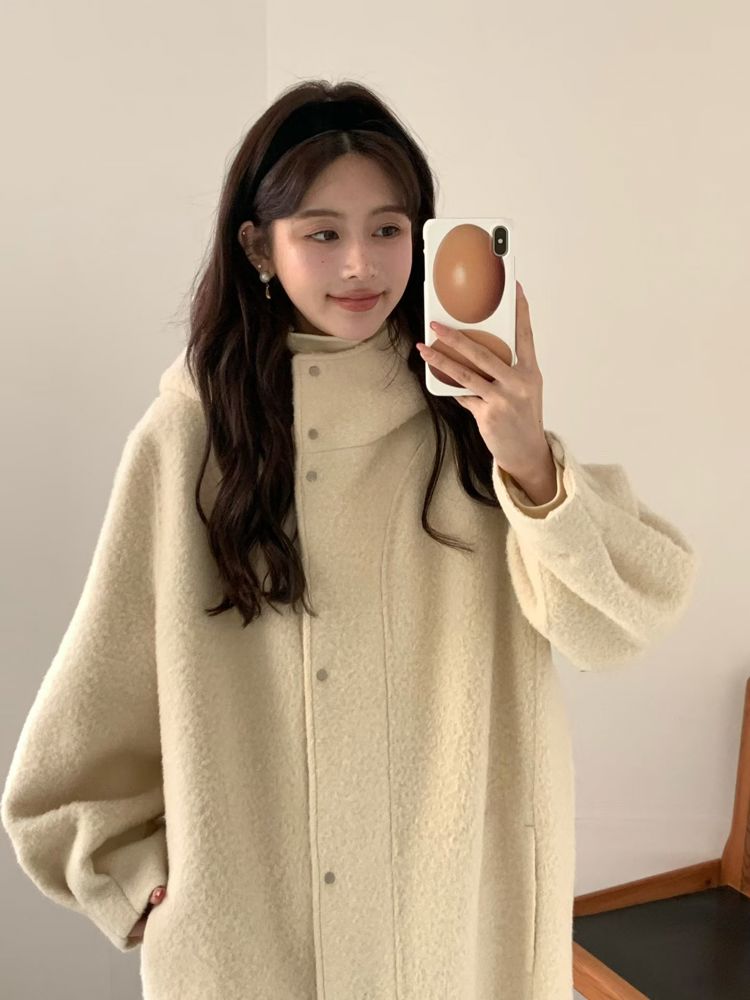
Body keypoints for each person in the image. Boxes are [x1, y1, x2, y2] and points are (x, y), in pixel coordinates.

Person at [1, 78, 699, 1000]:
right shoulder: (190, 440)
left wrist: (533, 461)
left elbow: (623, 624)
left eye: (388, 228)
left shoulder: (471, 424)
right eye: (322, 233)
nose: (362, 264)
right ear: (260, 247)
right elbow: (79, 741)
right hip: (257, 949)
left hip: (462, 935)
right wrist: (148, 886)